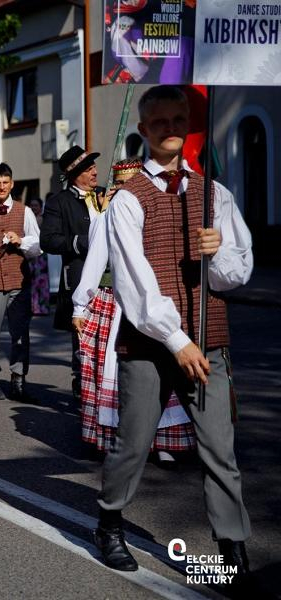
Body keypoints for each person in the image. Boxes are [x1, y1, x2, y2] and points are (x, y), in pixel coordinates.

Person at [94, 85, 253, 576]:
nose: (169, 129)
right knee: (135, 440)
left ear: (188, 124)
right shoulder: (127, 199)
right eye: (158, 122)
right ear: (143, 130)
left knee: (219, 448)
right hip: (150, 341)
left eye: (177, 119)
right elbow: (134, 281)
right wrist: (177, 339)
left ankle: (230, 547)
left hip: (210, 337)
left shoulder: (213, 193)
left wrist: (218, 251)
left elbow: (237, 272)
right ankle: (110, 520)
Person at [71, 159, 196, 464]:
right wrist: (80, 304)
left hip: (157, 300)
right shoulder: (108, 217)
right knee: (121, 370)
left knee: (162, 368)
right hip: (119, 302)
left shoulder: (157, 213)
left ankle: (164, 438)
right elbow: (96, 262)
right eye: (123, 183)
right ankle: (120, 438)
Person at [41, 145, 107, 404]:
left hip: (110, 280)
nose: (94, 171)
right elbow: (48, 240)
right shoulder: (59, 202)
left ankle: (106, 389)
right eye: (88, 168)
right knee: (82, 339)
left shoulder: (105, 194)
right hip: (79, 279)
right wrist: (79, 242)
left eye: (94, 167)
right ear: (74, 174)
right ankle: (83, 386)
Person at [0, 163, 41, 401]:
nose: (1, 187)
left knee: (20, 333)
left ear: (12, 183)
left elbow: (37, 248)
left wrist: (21, 241)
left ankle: (18, 379)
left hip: (18, 280)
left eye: (5, 182)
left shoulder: (25, 212)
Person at [27, 197, 50, 316]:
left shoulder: (43, 219)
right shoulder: (28, 219)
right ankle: (34, 307)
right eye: (32, 205)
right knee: (33, 282)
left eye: (36, 205)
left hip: (41, 255)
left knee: (42, 282)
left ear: (41, 207)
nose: (33, 208)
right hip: (31, 255)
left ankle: (43, 307)